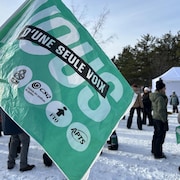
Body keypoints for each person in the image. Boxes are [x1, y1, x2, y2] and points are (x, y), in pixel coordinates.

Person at [149, 79, 168, 159]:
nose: (165, 90)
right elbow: (161, 110)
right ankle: (158, 153)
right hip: (160, 119)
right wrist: (164, 120)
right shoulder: (160, 98)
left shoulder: (155, 96)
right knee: (160, 137)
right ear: (161, 89)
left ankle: (154, 150)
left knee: (156, 135)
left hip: (155, 117)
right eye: (164, 88)